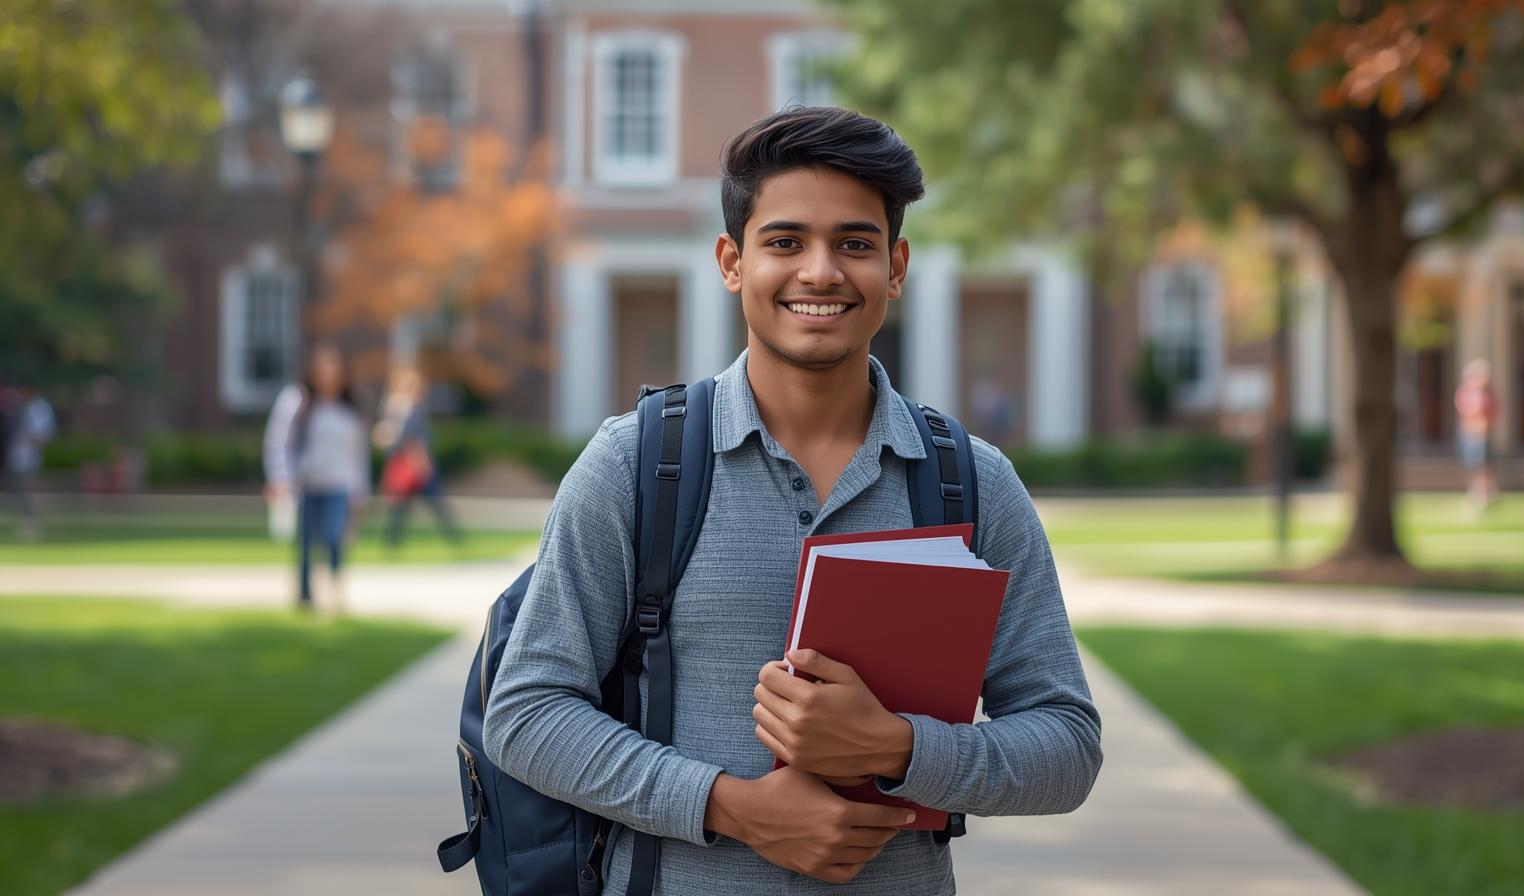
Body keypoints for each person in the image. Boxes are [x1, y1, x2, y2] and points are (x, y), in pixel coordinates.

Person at [483, 107, 1101, 894]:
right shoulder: (634, 465)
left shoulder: (973, 482)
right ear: (732, 261)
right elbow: (527, 712)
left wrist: (900, 750)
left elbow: (1068, 746)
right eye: (785, 242)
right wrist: (731, 807)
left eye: (854, 243)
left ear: (897, 266)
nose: (821, 272)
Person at [263, 345, 370, 612]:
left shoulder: (351, 410)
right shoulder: (298, 401)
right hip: (306, 483)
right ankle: (305, 596)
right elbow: (278, 441)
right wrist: (279, 477)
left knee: (335, 537)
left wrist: (361, 491)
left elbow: (358, 454)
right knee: (306, 544)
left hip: (339, 485)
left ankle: (335, 584)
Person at [373, 366, 460, 549]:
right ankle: (391, 543)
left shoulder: (415, 408)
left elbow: (417, 438)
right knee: (400, 508)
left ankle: (454, 539)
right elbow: (400, 437)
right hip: (406, 463)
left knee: (435, 504)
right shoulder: (396, 407)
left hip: (417, 463)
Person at [3, 382, 56, 541]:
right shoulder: (25, 407)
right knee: (20, 493)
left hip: (30, 459)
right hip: (19, 457)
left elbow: (41, 434)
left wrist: (28, 441)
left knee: (30, 491)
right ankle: (29, 521)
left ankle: (33, 523)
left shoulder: (39, 408)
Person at [1454, 358, 1498, 514]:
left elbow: (1491, 413)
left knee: (1483, 467)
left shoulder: (1488, 394)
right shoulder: (1465, 392)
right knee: (1473, 466)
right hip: (1470, 434)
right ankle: (1475, 493)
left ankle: (1486, 494)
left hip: (1483, 434)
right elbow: (1466, 412)